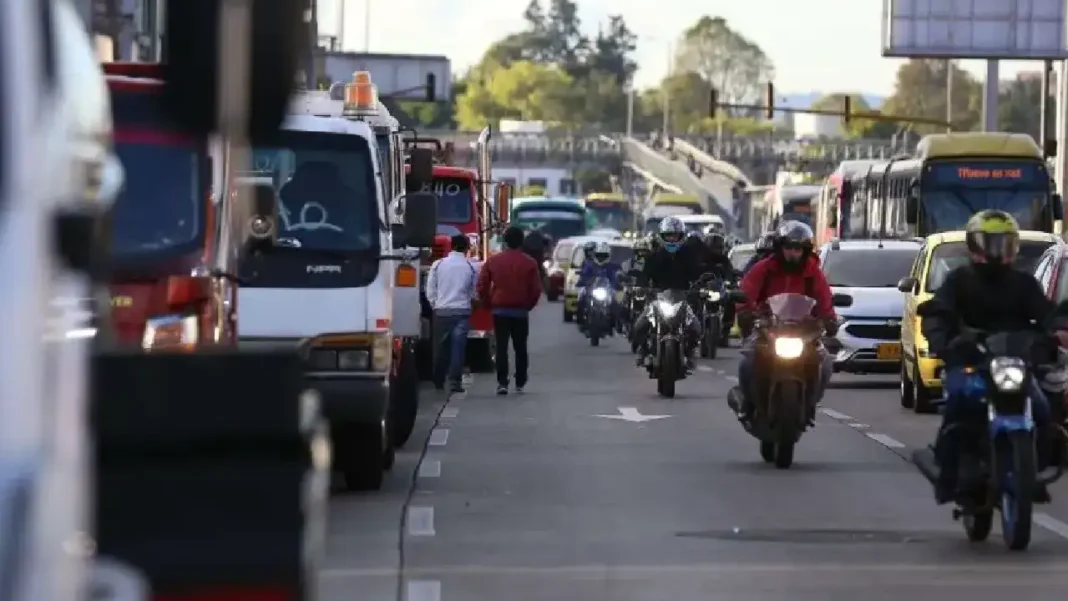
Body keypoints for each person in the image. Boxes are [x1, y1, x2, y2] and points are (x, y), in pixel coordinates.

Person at [919, 210, 1068, 504]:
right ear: (976, 247)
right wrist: (945, 340)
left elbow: (1046, 314)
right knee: (959, 404)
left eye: (1004, 244)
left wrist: (1056, 331)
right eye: (992, 244)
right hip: (972, 360)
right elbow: (938, 313)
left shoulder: (1024, 284)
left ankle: (1032, 471)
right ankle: (948, 475)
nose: (998, 252)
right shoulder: (959, 281)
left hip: (1013, 361)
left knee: (1042, 408)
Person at [733, 221, 836, 423]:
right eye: (788, 247)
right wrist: (745, 311)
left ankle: (810, 403)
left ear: (805, 250)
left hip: (803, 330)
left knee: (824, 363)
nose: (792, 253)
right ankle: (748, 403)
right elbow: (747, 291)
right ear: (779, 248)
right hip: (767, 327)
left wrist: (829, 319)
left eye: (797, 249)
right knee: (747, 361)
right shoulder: (763, 268)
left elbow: (824, 298)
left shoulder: (813, 272)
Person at [477, 226, 543, 395]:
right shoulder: (529, 262)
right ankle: (520, 382)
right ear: (522, 242)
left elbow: (482, 285)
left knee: (501, 347)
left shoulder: (493, 261)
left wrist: (487, 303)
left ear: (505, 241)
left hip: (500, 310)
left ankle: (502, 383)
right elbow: (536, 290)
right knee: (520, 347)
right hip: (520, 311)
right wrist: (527, 305)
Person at [633, 217, 704, 369]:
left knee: (696, 328)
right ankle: (643, 350)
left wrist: (702, 285)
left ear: (681, 236)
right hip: (658, 299)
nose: (672, 239)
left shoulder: (688, 256)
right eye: (669, 235)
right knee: (639, 326)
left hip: (681, 299)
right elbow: (644, 276)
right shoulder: (654, 257)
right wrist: (641, 286)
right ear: (662, 236)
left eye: (675, 235)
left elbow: (697, 274)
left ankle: (690, 352)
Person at [425, 234, 478, 394]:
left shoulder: (438, 264)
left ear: (451, 246)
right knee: (458, 348)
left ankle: (439, 380)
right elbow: (474, 292)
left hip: (442, 312)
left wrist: (435, 304)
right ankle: (455, 382)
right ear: (467, 248)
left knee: (440, 348)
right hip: (462, 311)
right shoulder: (470, 267)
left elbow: (430, 290)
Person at [576, 241, 622, 331]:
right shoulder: (590, 265)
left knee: (616, 304)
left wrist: (617, 285)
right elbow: (584, 275)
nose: (601, 258)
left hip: (607, 290)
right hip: (591, 288)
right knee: (580, 299)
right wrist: (581, 282)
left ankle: (616, 324)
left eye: (604, 255)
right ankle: (580, 321)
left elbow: (615, 277)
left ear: (608, 256)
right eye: (599, 255)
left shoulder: (611, 266)